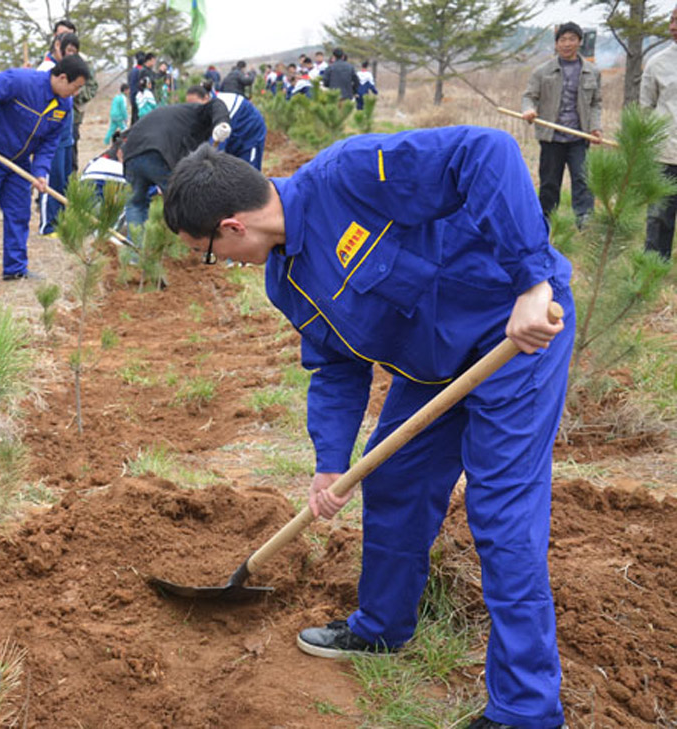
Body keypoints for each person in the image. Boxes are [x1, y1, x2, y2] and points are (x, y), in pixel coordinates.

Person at [163, 129, 574, 729]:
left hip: (514, 337)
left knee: (502, 519)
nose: (217, 264)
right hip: (431, 366)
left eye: (207, 252)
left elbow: (486, 153)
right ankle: (381, 629)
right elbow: (334, 366)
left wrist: (533, 281)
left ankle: (526, 710)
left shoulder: (351, 174)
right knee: (393, 481)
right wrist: (330, 462)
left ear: (232, 227)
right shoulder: (287, 279)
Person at [0, 54, 90, 280]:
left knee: (19, 213)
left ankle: (15, 269)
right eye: (76, 86)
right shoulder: (21, 81)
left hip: (18, 163)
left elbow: (49, 143)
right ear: (62, 77)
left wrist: (40, 172)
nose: (77, 92)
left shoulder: (64, 105)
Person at [522, 21, 602, 225]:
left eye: (572, 39)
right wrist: (529, 110)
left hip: (579, 137)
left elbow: (595, 103)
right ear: (556, 44)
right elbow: (529, 96)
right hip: (551, 137)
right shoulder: (542, 71)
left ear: (580, 42)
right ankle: (545, 221)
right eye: (563, 40)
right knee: (549, 182)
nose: (567, 44)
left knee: (582, 180)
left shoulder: (591, 71)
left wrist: (595, 126)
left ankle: (584, 221)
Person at [120, 99, 230, 234]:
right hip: (158, 151)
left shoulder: (174, 115)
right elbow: (217, 103)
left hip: (131, 154)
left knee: (136, 205)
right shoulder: (198, 111)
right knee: (185, 203)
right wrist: (222, 122)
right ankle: (196, 246)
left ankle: (135, 254)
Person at [36, 31, 81, 236]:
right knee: (51, 179)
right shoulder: (47, 68)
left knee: (63, 179)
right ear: (57, 46)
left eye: (75, 51)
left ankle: (61, 221)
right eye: (69, 50)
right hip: (51, 136)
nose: (71, 54)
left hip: (65, 135)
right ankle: (48, 225)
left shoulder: (73, 71)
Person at [642, 5, 677, 260]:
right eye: (672, 20)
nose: (673, 27)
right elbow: (646, 109)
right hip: (664, 155)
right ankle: (652, 273)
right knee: (659, 218)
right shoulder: (658, 63)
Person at [185, 84, 267, 170]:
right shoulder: (207, 107)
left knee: (249, 170)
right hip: (234, 133)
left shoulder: (223, 106)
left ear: (206, 98)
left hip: (251, 131)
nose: (194, 109)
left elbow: (219, 139)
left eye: (196, 105)